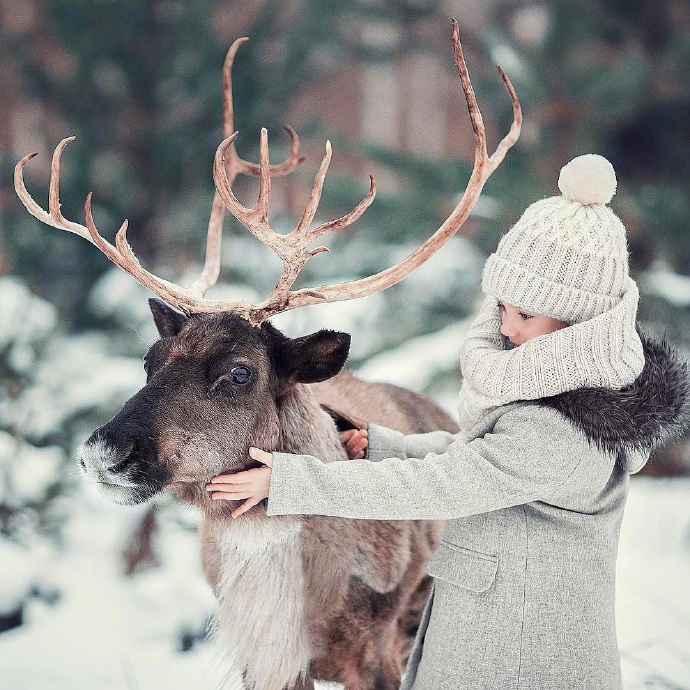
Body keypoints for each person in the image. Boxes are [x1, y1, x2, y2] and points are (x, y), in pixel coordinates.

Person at [205, 154, 690, 690]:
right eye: (502, 306)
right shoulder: (561, 401)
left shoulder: (558, 430)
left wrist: (291, 481)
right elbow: (482, 457)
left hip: (521, 660)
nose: (506, 327)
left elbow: (448, 484)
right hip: (503, 635)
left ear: (580, 324)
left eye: (525, 314)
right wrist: (388, 446)